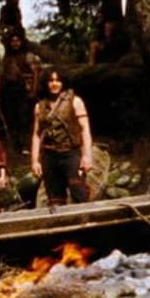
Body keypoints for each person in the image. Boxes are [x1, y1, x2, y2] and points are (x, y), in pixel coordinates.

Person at [30, 70, 92, 206]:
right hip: (49, 155)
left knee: (78, 191)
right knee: (55, 199)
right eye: (51, 81)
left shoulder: (75, 101)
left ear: (63, 82)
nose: (54, 84)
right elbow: (36, 134)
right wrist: (35, 161)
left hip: (71, 153)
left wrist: (87, 156)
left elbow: (84, 129)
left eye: (57, 80)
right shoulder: (40, 106)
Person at [0, 24, 44, 152]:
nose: (15, 44)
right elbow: (0, 76)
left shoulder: (28, 56)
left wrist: (33, 90)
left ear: (21, 41)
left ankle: (26, 144)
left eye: (17, 41)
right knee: (11, 118)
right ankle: (15, 146)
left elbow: (36, 73)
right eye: (13, 41)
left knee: (24, 118)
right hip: (8, 92)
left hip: (23, 92)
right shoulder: (7, 58)